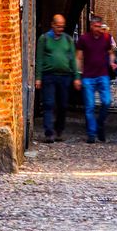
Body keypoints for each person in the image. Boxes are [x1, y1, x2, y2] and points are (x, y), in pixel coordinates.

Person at [36, 14, 78, 143]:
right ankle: (49, 132)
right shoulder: (44, 39)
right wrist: (38, 77)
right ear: (52, 25)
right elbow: (39, 58)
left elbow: (72, 59)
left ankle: (59, 130)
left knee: (63, 105)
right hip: (49, 75)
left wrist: (76, 76)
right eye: (58, 26)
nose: (60, 28)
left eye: (62, 26)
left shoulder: (68, 40)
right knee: (48, 104)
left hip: (64, 77)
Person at [76, 15, 115, 143]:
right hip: (88, 77)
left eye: (100, 26)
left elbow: (110, 53)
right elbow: (79, 57)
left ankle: (100, 124)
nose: (98, 29)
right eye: (96, 26)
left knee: (107, 101)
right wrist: (78, 75)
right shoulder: (84, 39)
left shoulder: (106, 38)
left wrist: (112, 62)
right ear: (91, 26)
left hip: (103, 75)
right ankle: (92, 133)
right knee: (90, 106)